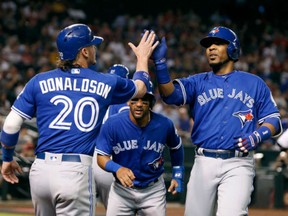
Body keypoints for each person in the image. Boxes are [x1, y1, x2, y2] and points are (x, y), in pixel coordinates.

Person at [0, 24, 158, 216]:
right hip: (75, 171)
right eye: (92, 45)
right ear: (84, 51)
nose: (95, 49)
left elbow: (10, 124)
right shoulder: (106, 81)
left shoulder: (38, 81)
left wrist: (7, 158)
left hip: (40, 171)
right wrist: (142, 58)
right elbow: (141, 87)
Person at [151, 26, 283, 216]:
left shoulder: (254, 83)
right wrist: (160, 64)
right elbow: (170, 95)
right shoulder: (198, 81)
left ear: (232, 48)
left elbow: (274, 120)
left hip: (238, 163)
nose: (211, 48)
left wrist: (257, 136)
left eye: (218, 43)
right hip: (203, 161)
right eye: (208, 45)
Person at [95, 82, 184, 216]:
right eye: (135, 99)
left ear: (151, 103)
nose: (139, 104)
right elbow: (101, 157)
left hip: (153, 190)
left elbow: (176, 147)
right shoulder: (112, 124)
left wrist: (178, 174)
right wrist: (117, 168)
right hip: (122, 191)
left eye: (144, 100)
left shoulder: (164, 124)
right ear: (128, 102)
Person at [93, 64, 130, 209]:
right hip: (113, 160)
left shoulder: (96, 98)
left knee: (84, 209)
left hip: (91, 159)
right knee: (118, 210)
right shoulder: (126, 101)